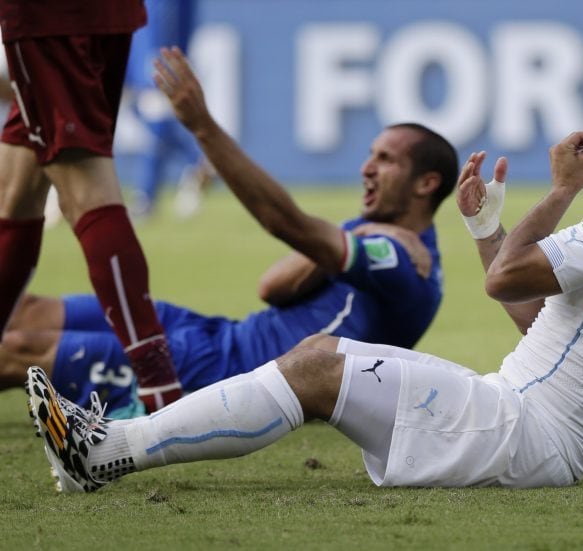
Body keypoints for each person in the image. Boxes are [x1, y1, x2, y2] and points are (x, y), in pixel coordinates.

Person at [26, 73, 583, 493]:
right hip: (521, 423)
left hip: (521, 432)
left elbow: (508, 278)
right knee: (318, 364)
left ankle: (106, 452)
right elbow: (536, 321)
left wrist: (562, 191)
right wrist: (485, 229)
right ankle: (106, 448)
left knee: (317, 365)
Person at [4, 50, 458, 418]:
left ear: (426, 184)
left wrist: (202, 126)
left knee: (21, 349)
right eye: (370, 154)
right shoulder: (371, 236)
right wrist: (346, 238)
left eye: (385, 160)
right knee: (24, 311)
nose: (366, 168)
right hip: (217, 334)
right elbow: (272, 287)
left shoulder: (405, 260)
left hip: (227, 373)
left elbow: (285, 224)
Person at [0, 0, 182, 412]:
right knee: (16, 187)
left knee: (85, 185)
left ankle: (160, 390)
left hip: (47, 19)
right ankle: (159, 386)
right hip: (110, 13)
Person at [124, 0, 215, 219]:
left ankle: (147, 196)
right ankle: (196, 162)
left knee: (152, 110)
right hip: (128, 34)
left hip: (149, 42)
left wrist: (162, 58)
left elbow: (169, 19)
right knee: (142, 110)